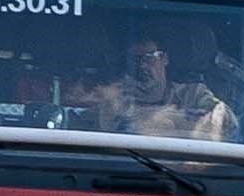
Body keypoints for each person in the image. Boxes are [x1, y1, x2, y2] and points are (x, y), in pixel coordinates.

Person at [84, 34, 229, 139]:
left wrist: (164, 117)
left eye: (149, 57)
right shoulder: (114, 100)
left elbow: (227, 122)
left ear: (164, 59)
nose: (142, 66)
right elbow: (71, 125)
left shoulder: (194, 94)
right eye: (135, 60)